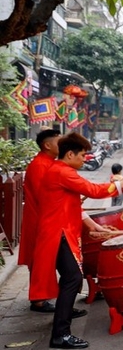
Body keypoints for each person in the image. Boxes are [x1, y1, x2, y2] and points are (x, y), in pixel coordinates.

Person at [37, 133, 123, 348]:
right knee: (72, 279)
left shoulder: (59, 171)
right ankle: (60, 334)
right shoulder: (62, 172)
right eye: (82, 155)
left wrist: (93, 225)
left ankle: (61, 330)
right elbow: (93, 190)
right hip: (59, 233)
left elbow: (71, 203)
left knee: (70, 279)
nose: (85, 159)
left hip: (60, 231)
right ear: (70, 154)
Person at [20, 128, 62, 313]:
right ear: (47, 145)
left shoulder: (48, 162)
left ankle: (43, 296)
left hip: (46, 217)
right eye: (58, 142)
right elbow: (42, 195)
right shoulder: (39, 165)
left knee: (45, 260)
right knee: (40, 260)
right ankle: (38, 300)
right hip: (40, 218)